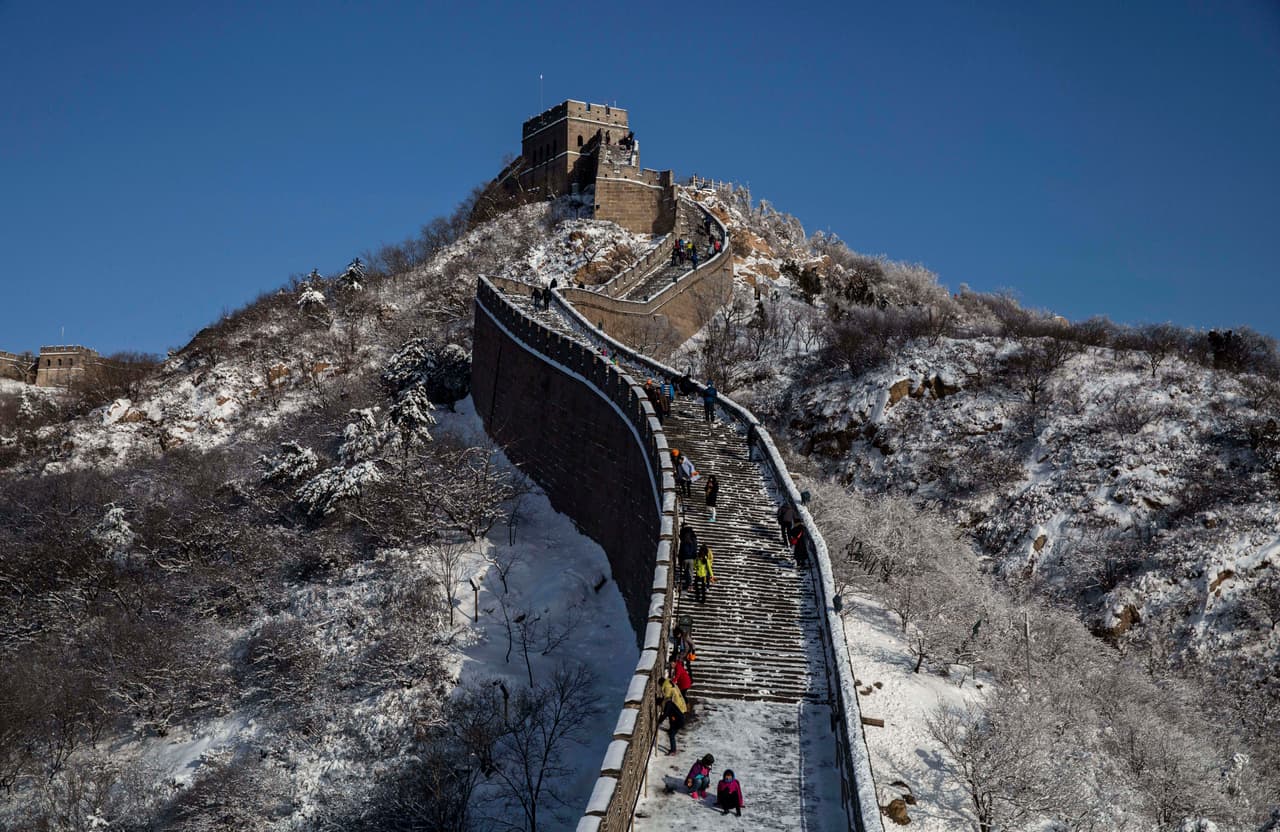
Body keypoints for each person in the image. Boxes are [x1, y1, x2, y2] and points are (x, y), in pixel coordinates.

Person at [657, 674, 688, 755]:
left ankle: (673, 751)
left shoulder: (669, 704)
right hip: (678, 718)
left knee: (671, 734)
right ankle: (673, 749)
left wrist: (659, 721)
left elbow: (665, 714)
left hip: (679, 721)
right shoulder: (670, 703)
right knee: (672, 730)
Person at [678, 523, 698, 590]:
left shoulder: (683, 539)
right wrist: (695, 556)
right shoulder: (693, 537)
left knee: (686, 571)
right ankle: (690, 584)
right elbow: (695, 547)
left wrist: (680, 559)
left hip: (685, 557)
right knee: (690, 571)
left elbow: (681, 550)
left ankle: (688, 583)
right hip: (692, 557)